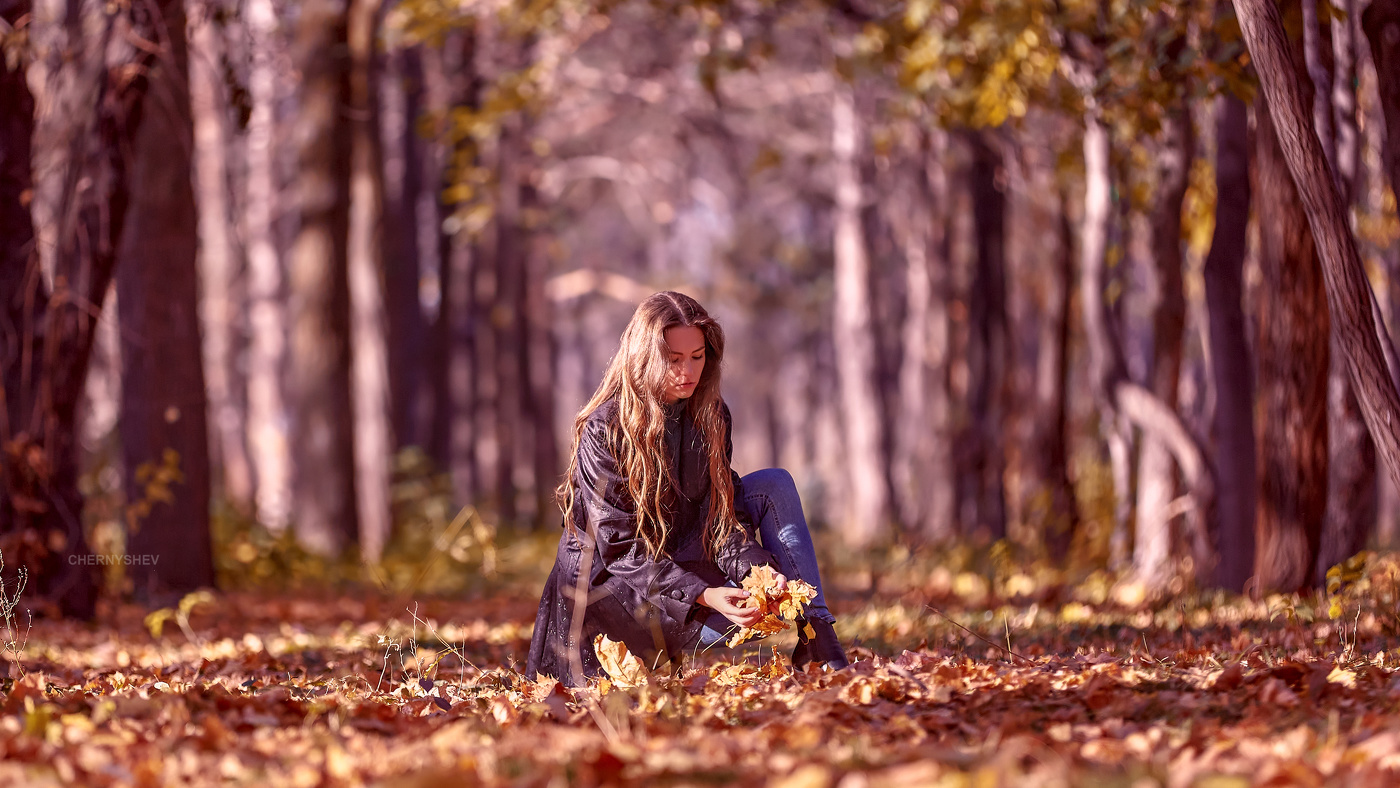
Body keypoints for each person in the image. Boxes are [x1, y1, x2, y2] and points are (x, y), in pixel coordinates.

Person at [525, 291, 850, 686]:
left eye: (697, 357)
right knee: (723, 607)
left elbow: (722, 518)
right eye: (673, 360)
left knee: (773, 485)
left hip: (682, 565)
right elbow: (621, 549)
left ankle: (818, 634)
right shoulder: (605, 428)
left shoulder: (710, 414)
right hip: (612, 597)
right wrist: (705, 594)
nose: (688, 372)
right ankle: (670, 648)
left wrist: (758, 572)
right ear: (645, 357)